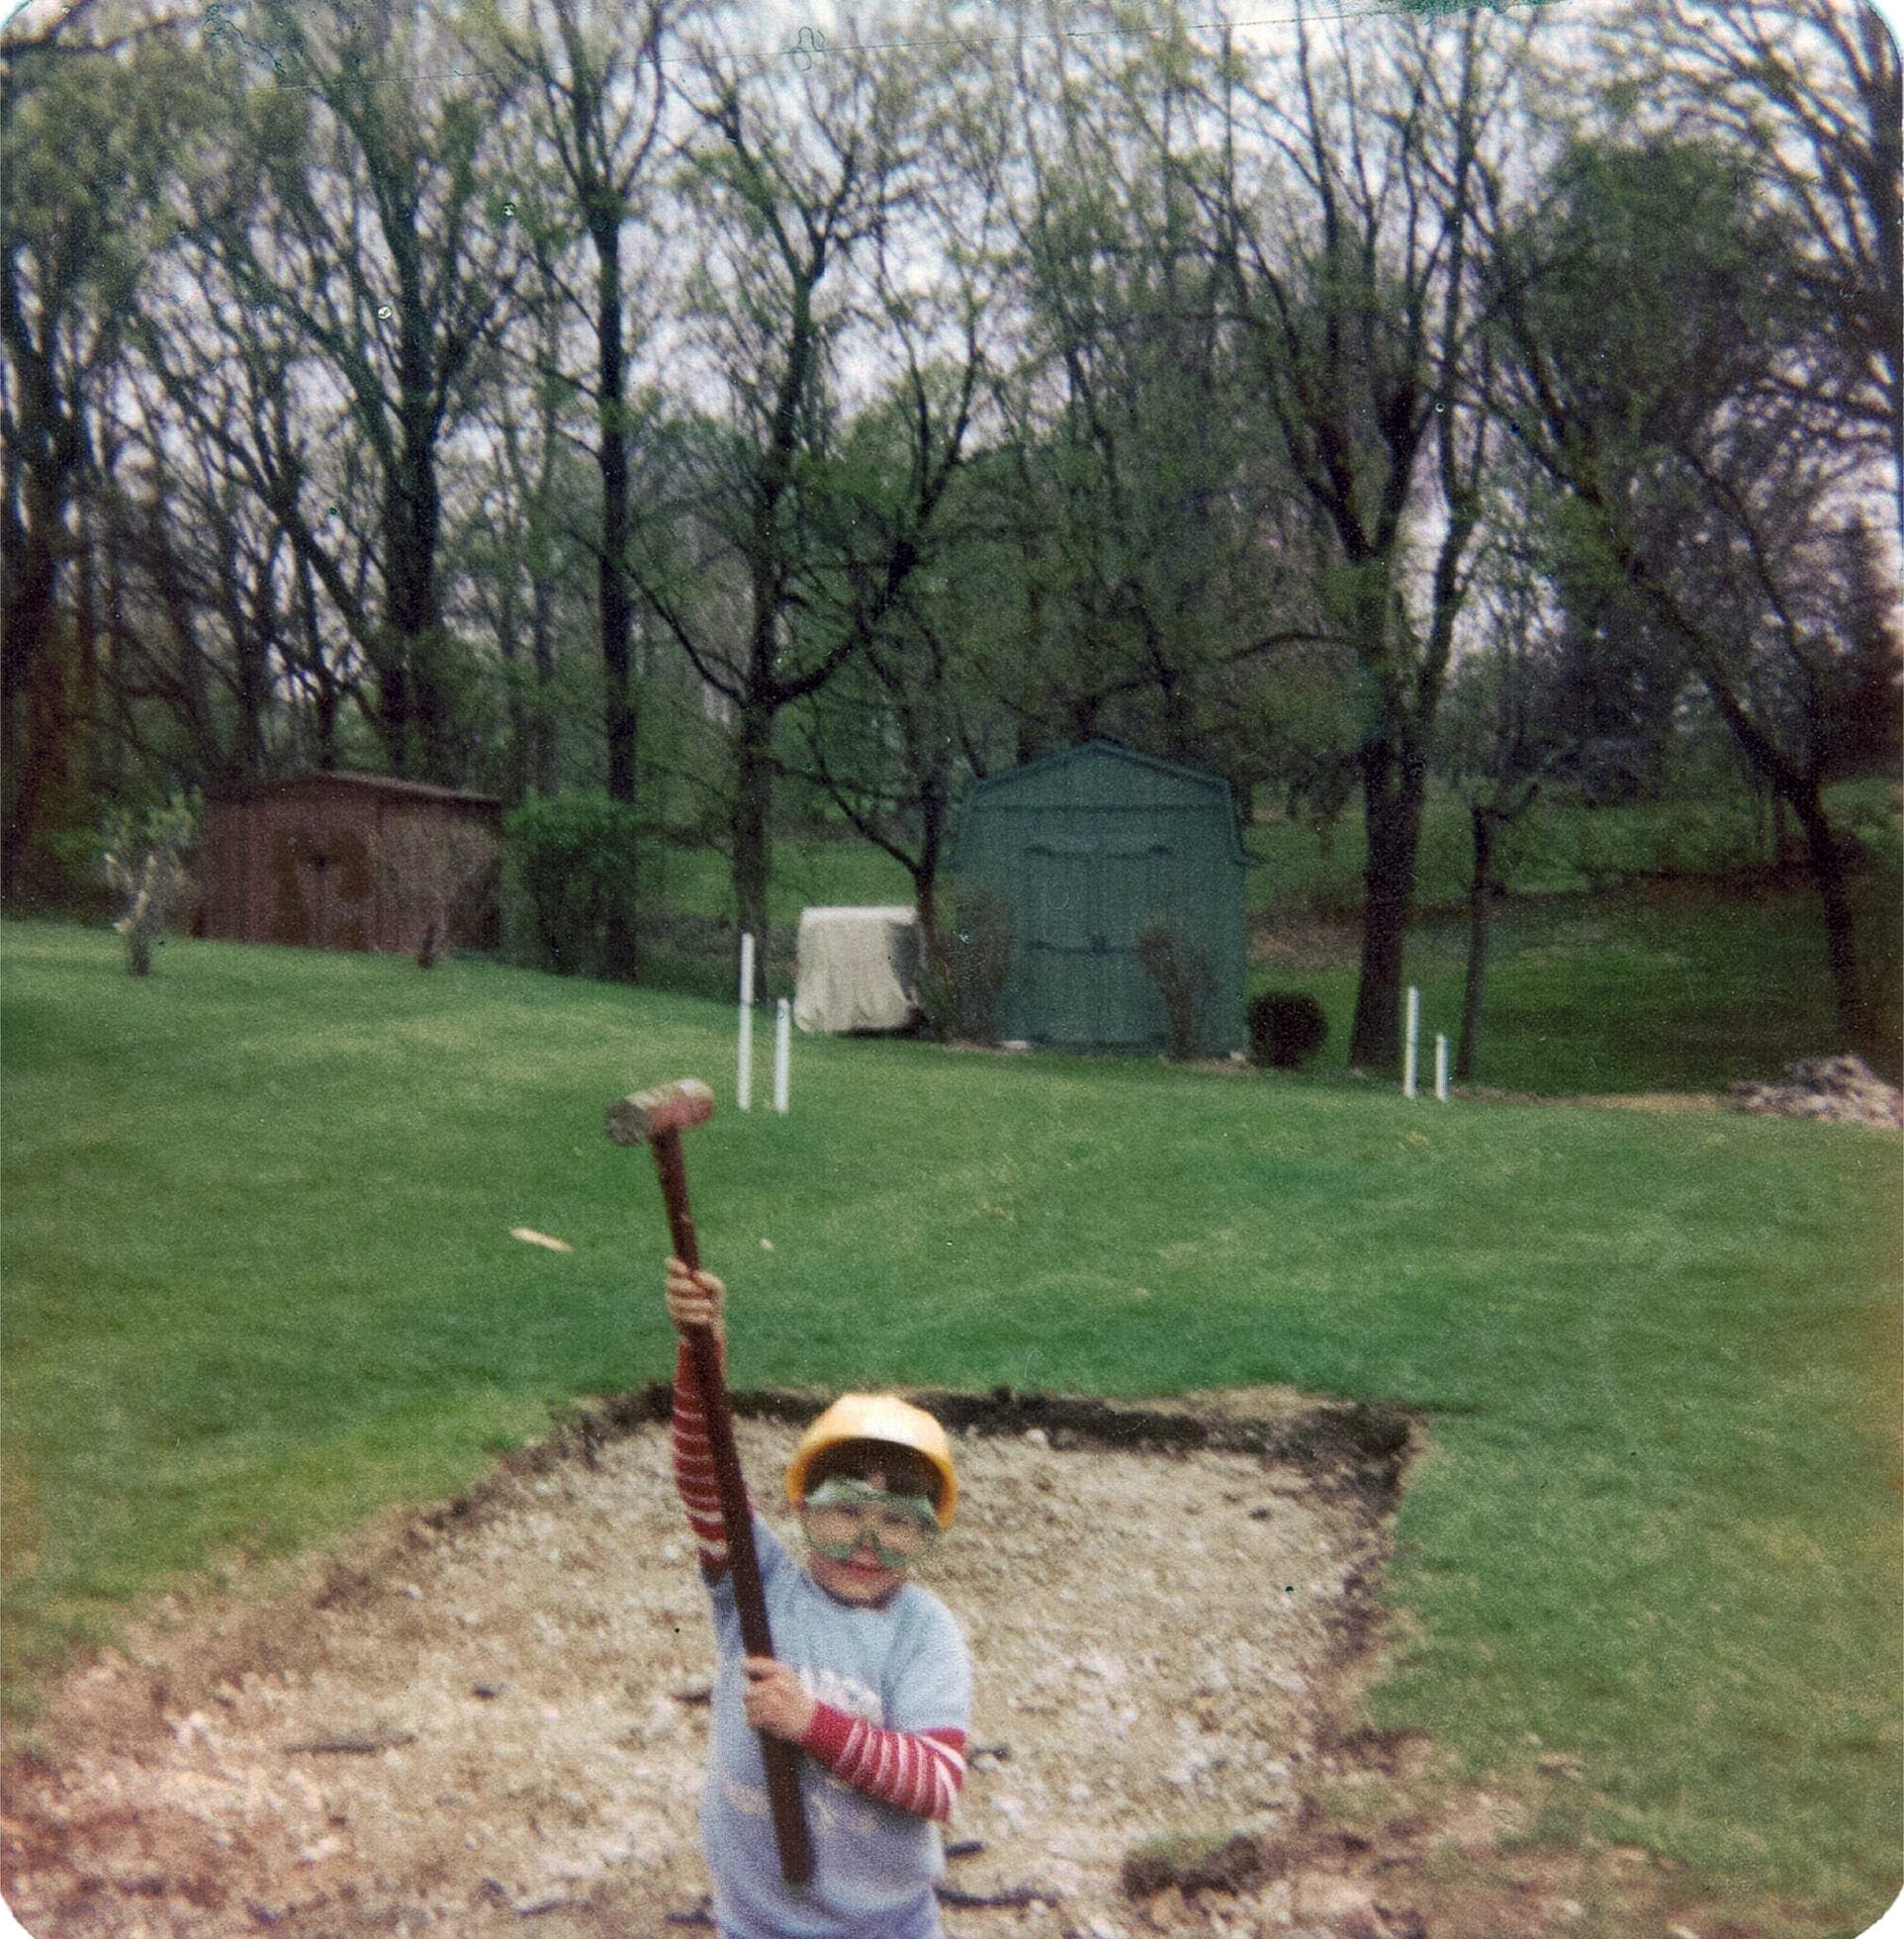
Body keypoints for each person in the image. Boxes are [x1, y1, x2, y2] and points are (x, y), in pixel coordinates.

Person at [665, 1256, 974, 1939]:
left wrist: (811, 1724)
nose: (868, 1544)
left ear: (928, 1533)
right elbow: (702, 1470)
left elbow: (935, 1782)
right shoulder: (758, 1583)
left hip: (886, 1925)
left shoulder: (924, 1632)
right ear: (802, 1507)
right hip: (757, 1922)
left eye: (897, 1523)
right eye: (843, 1513)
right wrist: (700, 1347)